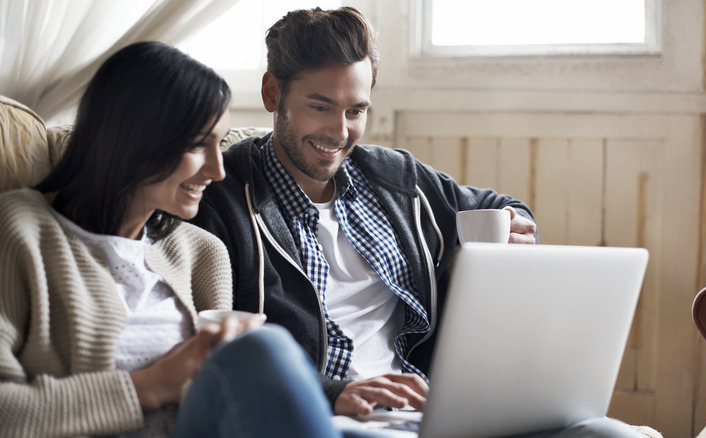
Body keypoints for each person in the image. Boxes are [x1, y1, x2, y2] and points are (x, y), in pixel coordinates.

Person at [190, 7, 644, 437]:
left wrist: (515, 221)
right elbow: (221, 353)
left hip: (435, 413)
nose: (340, 132)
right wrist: (332, 394)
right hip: (330, 419)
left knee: (608, 432)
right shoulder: (222, 200)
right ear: (273, 93)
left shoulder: (394, 178)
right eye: (321, 106)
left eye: (356, 110)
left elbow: (494, 203)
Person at [0, 41, 343, 438]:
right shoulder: (18, 232)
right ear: (132, 137)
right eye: (199, 144)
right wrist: (153, 384)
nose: (217, 171)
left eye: (220, 143)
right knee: (267, 346)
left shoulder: (201, 252)